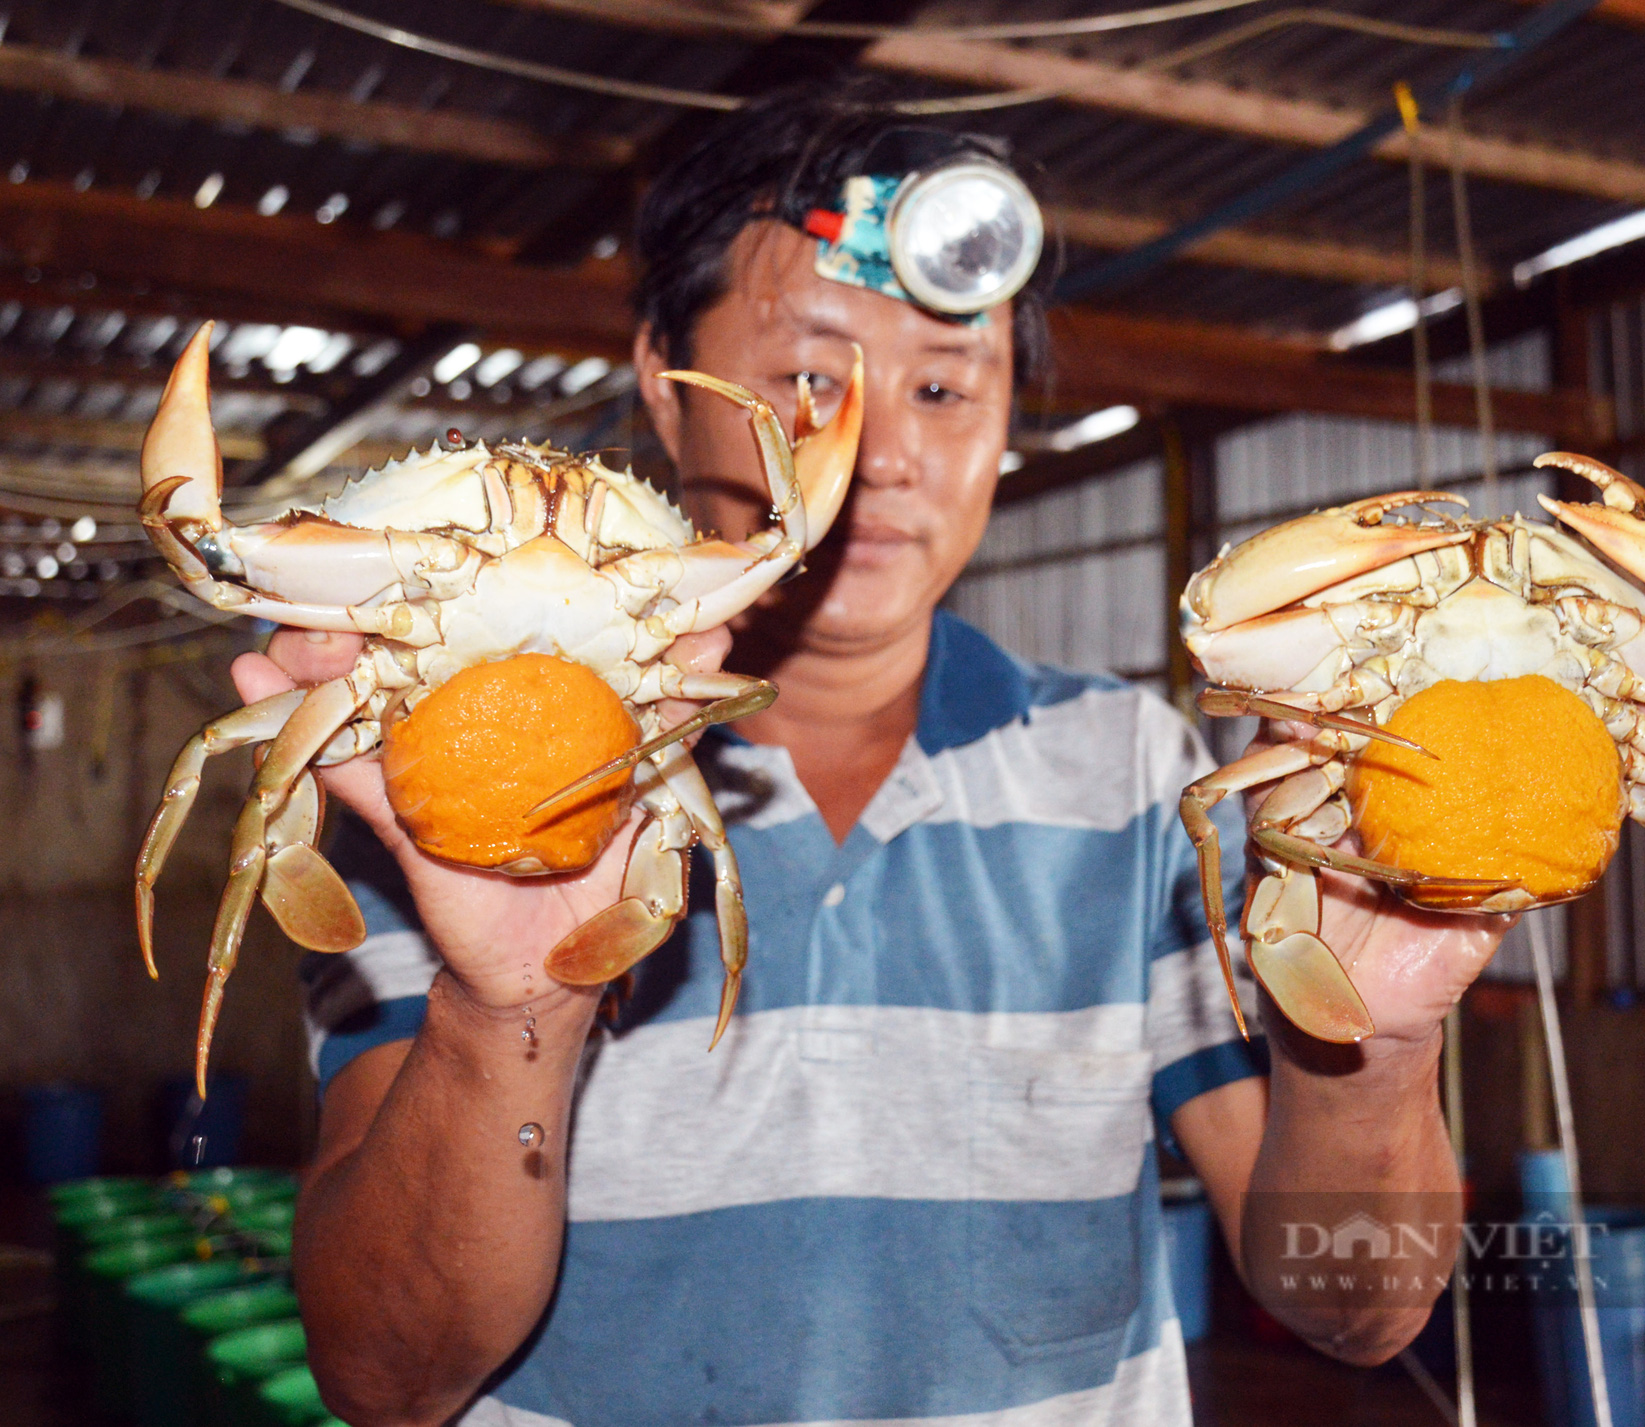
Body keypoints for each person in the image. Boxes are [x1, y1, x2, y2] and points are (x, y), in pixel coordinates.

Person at [241, 87, 1509, 1427]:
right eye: (809, 379)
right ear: (666, 393)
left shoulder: (1139, 776)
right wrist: (508, 1008)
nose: (887, 454)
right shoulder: (441, 782)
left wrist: (1373, 1049)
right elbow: (385, 1378)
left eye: (948, 386)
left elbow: (1357, 1303)